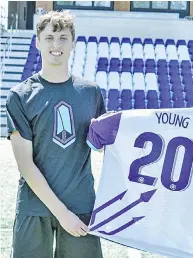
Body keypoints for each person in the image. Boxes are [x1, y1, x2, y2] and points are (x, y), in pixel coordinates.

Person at [6, 11, 105, 258]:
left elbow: (103, 147)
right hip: (34, 207)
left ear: (73, 42)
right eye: (49, 37)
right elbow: (26, 166)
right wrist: (62, 215)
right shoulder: (20, 96)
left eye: (63, 37)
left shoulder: (91, 92)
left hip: (80, 204)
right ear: (38, 42)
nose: (56, 45)